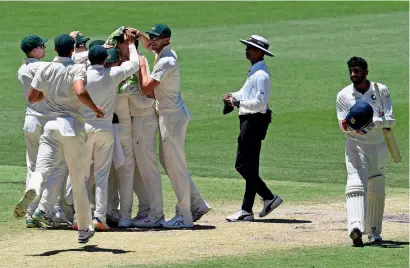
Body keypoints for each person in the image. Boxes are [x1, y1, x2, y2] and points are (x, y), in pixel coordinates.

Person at [14, 34, 104, 243]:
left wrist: (51, 94)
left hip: (50, 126)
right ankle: (83, 230)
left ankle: (34, 190)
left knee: (40, 169)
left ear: (55, 50)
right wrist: (95, 109)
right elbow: (80, 91)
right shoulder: (76, 68)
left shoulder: (44, 68)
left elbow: (33, 97)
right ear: (72, 50)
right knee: (78, 180)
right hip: (71, 126)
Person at [136, 24, 210, 228]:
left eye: (156, 38)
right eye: (151, 37)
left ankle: (184, 216)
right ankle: (197, 204)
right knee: (169, 162)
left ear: (167, 39)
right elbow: (148, 45)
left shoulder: (167, 60)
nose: (152, 41)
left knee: (175, 166)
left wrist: (142, 65)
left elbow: (146, 88)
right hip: (170, 116)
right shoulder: (162, 53)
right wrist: (140, 34)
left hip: (172, 118)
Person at [336, 56, 396, 246]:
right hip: (356, 144)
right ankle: (355, 227)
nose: (354, 74)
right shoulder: (344, 95)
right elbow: (344, 125)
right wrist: (361, 127)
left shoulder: (381, 90)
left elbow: (391, 120)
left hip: (378, 145)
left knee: (376, 186)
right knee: (355, 182)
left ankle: (374, 231)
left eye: (357, 71)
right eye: (351, 71)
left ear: (366, 72)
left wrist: (375, 122)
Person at [82, 32, 139, 231]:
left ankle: (80, 217)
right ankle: (99, 216)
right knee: (101, 175)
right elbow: (134, 65)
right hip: (105, 129)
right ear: (106, 60)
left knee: (82, 174)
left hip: (84, 129)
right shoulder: (112, 75)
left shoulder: (80, 75)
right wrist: (130, 44)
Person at [223, 35, 283, 222]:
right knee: (249, 166)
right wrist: (232, 96)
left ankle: (268, 197)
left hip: (254, 122)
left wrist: (237, 102)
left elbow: (260, 103)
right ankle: (247, 209)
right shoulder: (254, 72)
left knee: (242, 165)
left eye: (249, 47)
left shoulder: (262, 75)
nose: (246, 50)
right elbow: (245, 92)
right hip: (249, 121)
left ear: (258, 52)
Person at [17, 35, 68, 228]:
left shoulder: (22, 69)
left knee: (32, 167)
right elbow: (60, 66)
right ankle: (49, 210)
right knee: (53, 166)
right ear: (34, 50)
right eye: (41, 46)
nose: (45, 48)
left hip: (30, 122)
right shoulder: (41, 67)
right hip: (48, 122)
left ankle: (30, 213)